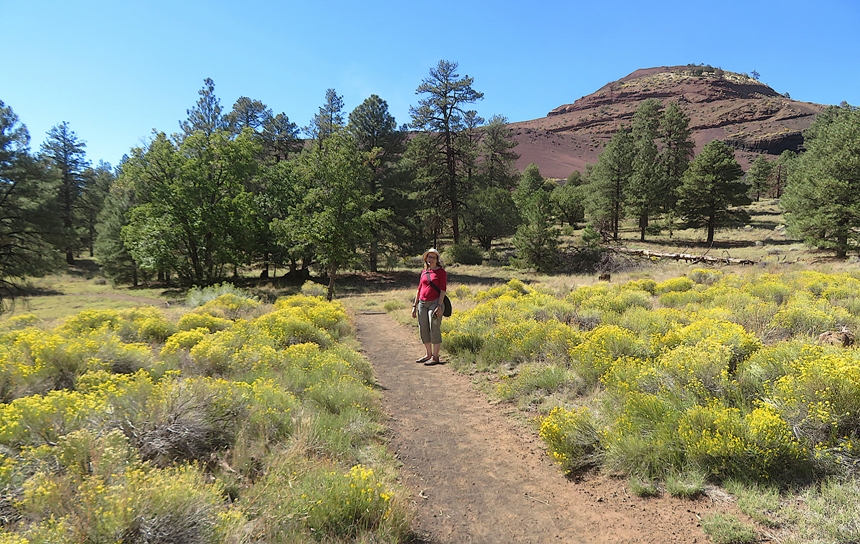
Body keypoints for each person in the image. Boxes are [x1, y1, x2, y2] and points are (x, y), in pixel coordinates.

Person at [411, 248, 447, 365]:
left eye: (433, 257)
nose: (430, 259)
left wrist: (439, 305)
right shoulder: (424, 272)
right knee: (423, 328)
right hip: (422, 303)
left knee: (434, 327)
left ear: (437, 260)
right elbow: (419, 289)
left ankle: (435, 357)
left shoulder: (441, 272)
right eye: (428, 257)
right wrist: (414, 305)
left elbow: (442, 290)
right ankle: (428, 354)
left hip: (435, 302)